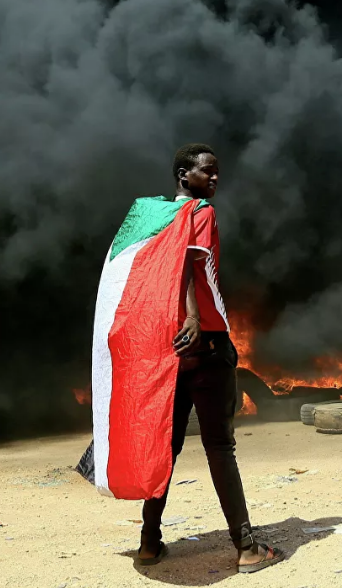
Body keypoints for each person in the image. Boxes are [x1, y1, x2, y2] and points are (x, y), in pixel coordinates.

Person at [135, 143, 283, 573]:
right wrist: (195, 315)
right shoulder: (199, 212)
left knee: (166, 448)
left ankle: (149, 542)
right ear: (184, 174)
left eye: (218, 172)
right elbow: (188, 259)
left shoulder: (153, 218)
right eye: (207, 171)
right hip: (207, 343)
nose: (215, 178)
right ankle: (247, 548)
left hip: (169, 350)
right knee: (220, 446)